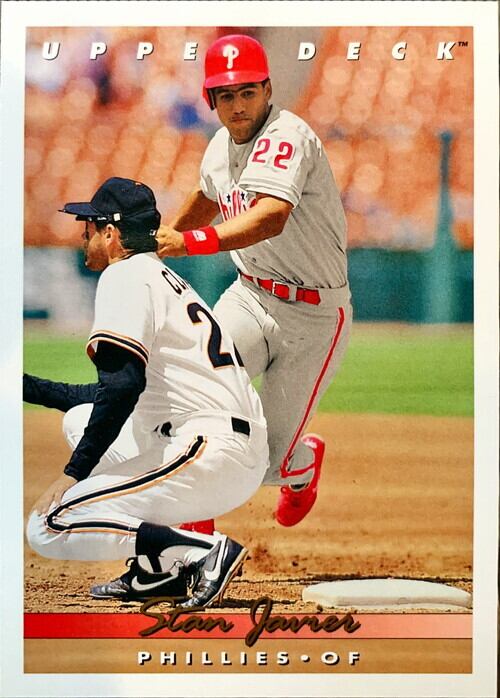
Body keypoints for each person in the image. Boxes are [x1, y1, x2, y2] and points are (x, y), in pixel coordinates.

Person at [25, 176, 269, 607]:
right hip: (224, 449)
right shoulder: (160, 277)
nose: (83, 236)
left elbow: (121, 387)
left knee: (49, 524)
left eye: (89, 226)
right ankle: (159, 572)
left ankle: (204, 551)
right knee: (79, 421)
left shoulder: (125, 276)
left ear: (111, 234)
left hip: (207, 450)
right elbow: (110, 393)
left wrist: (72, 475)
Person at [156, 34, 352, 528]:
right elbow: (207, 195)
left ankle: (301, 462)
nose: (238, 105)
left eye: (247, 91)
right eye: (226, 95)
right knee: (197, 397)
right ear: (211, 100)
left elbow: (270, 217)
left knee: (262, 464)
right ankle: (194, 527)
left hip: (313, 316)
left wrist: (188, 243)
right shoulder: (220, 146)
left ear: (267, 89)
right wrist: (159, 243)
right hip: (249, 296)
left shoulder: (288, 137)